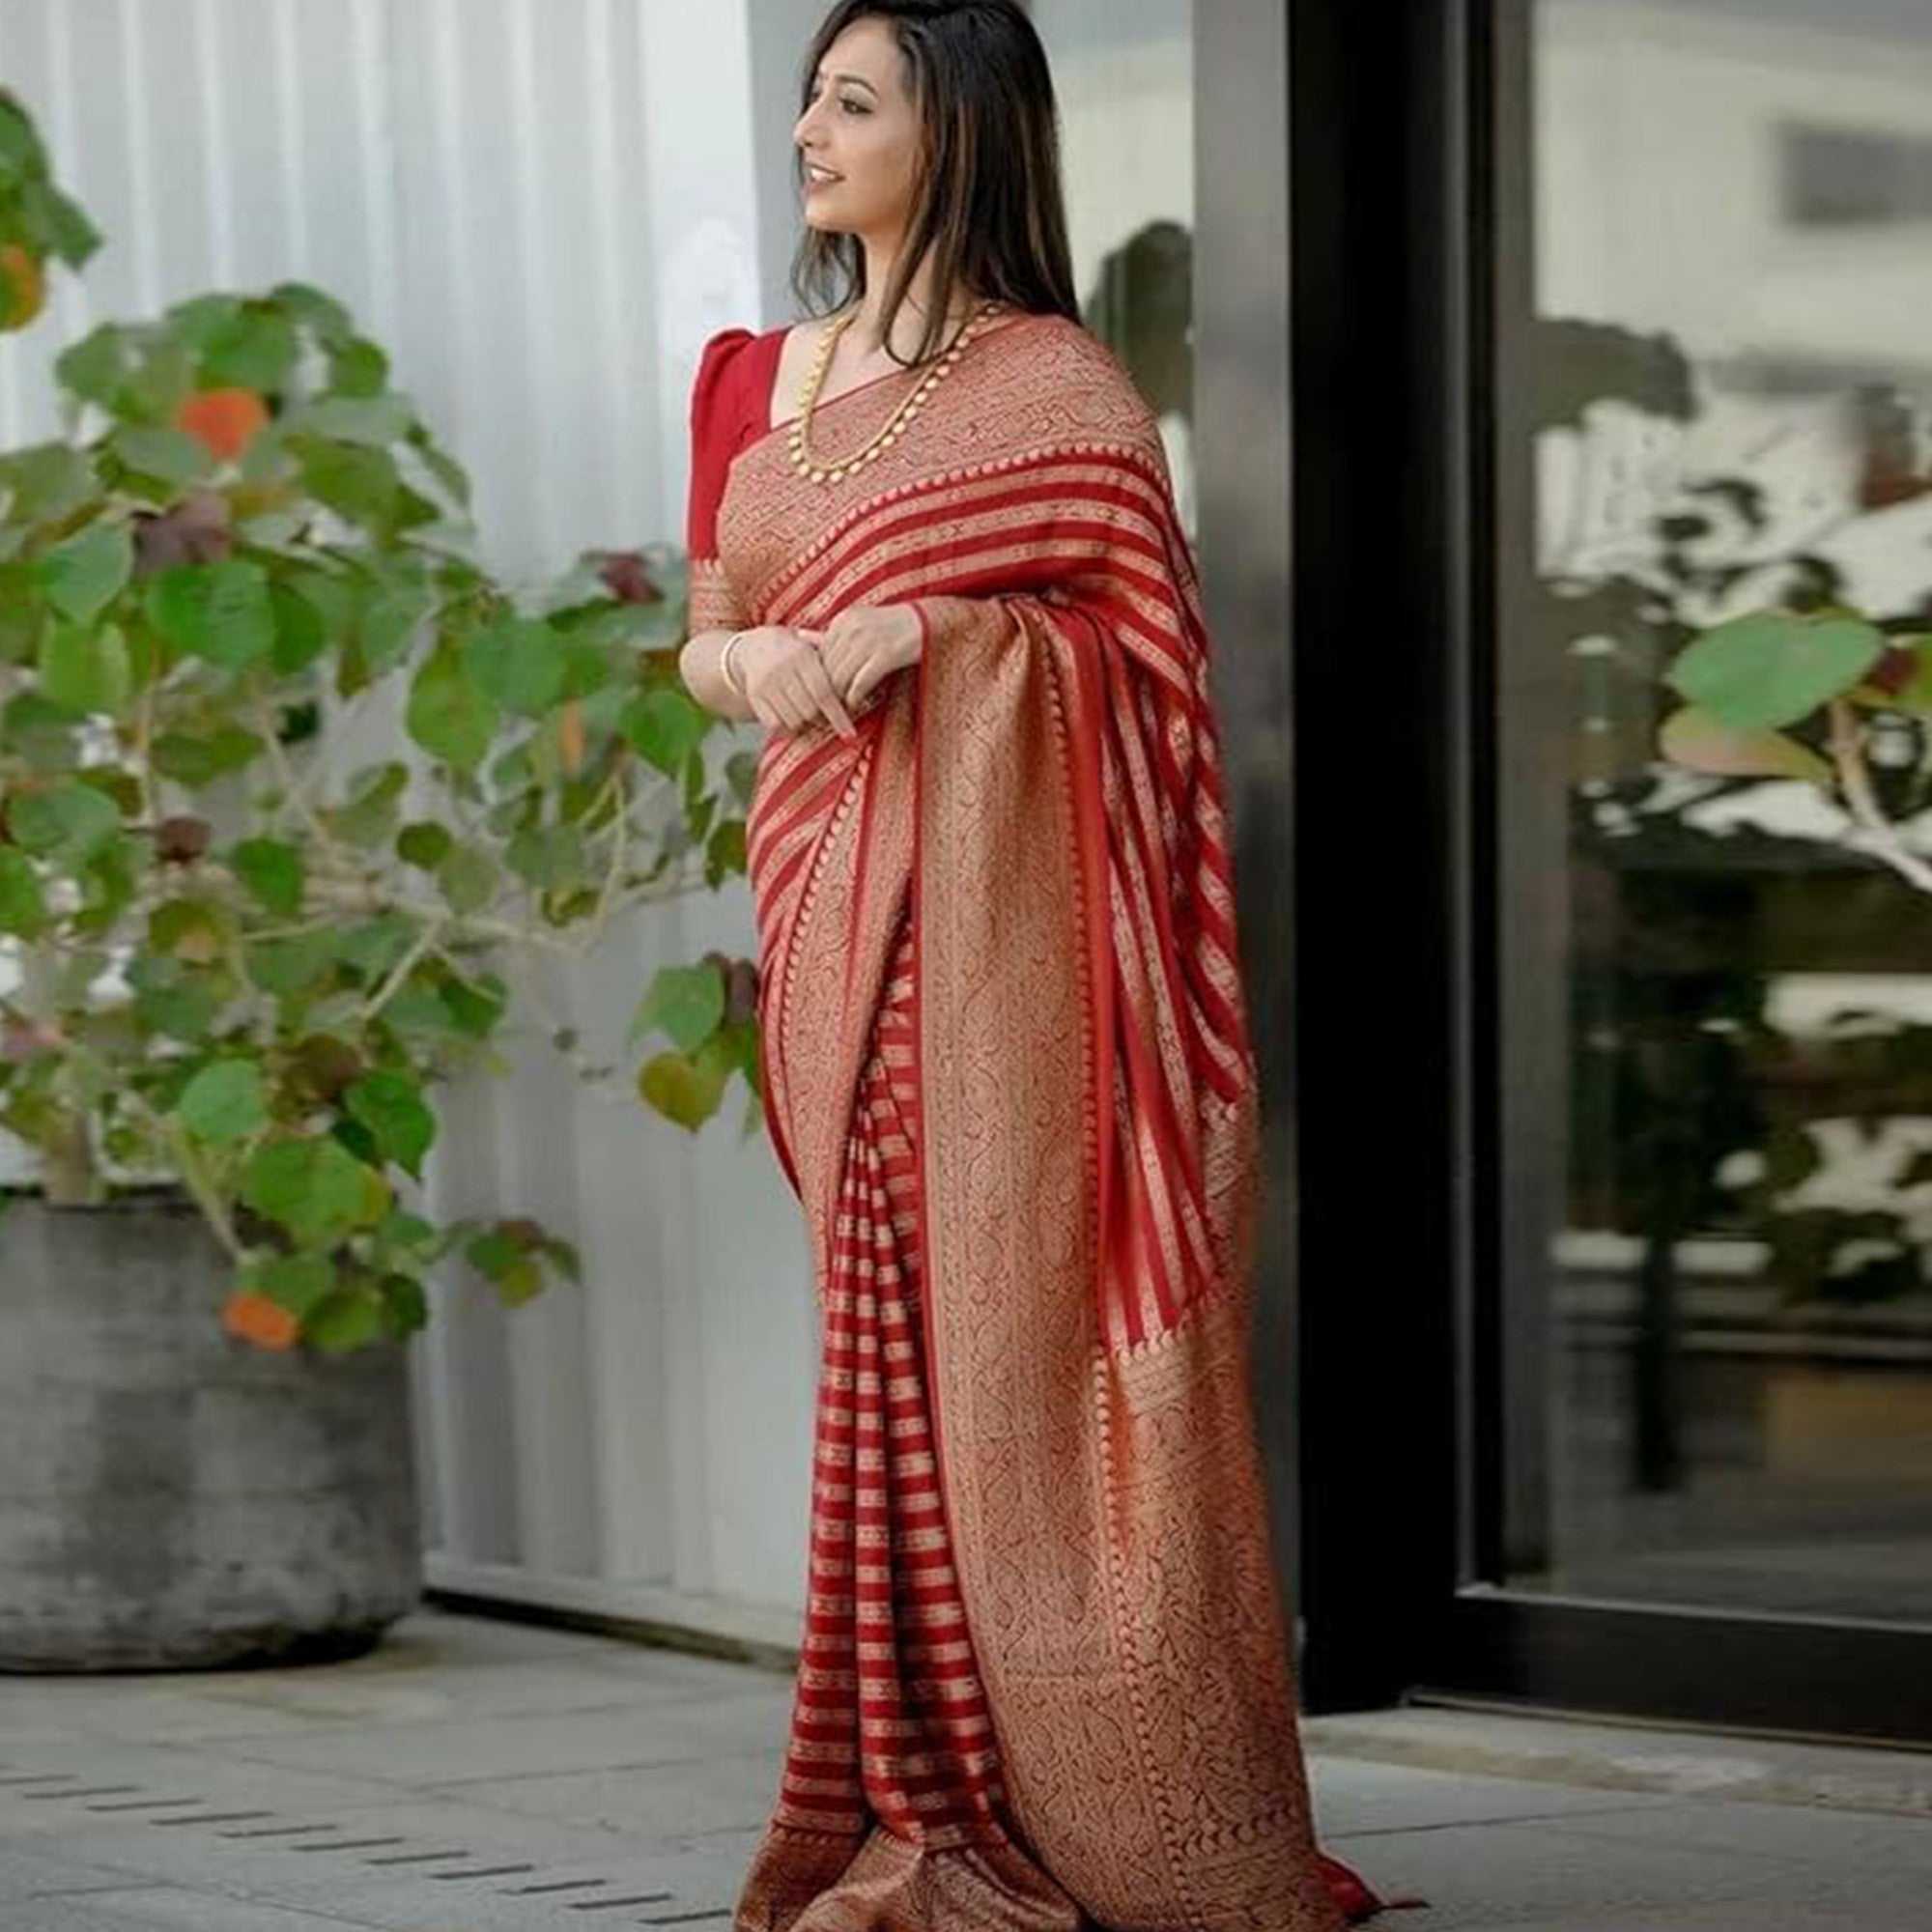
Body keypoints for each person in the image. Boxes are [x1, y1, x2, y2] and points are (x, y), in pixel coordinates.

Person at [678, 5, 1428, 1927]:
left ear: (963, 129)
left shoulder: (1062, 389)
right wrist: (753, 663)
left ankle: (1112, 1809)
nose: (805, 133)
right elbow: (713, 626)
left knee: (1012, 1334)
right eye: (808, 96)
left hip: (1009, 940)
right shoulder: (752, 378)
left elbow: (1151, 682)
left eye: (853, 100)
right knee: (889, 1346)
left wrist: (941, 626)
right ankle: (912, 1790)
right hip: (834, 907)